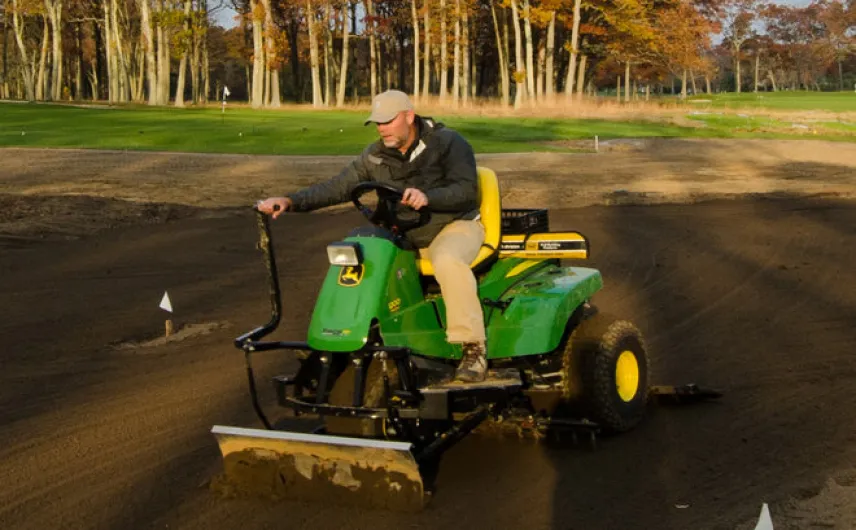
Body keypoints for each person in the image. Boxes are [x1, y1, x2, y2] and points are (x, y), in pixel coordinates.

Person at [256, 89, 489, 382]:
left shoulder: (448, 143)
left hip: (453, 224)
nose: (381, 129)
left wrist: (428, 196)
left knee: (446, 260)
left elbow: (466, 192)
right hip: (403, 233)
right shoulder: (375, 156)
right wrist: (291, 201)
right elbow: (338, 186)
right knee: (355, 259)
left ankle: (473, 348)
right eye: (377, 123)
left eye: (387, 121)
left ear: (409, 116)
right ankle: (341, 339)